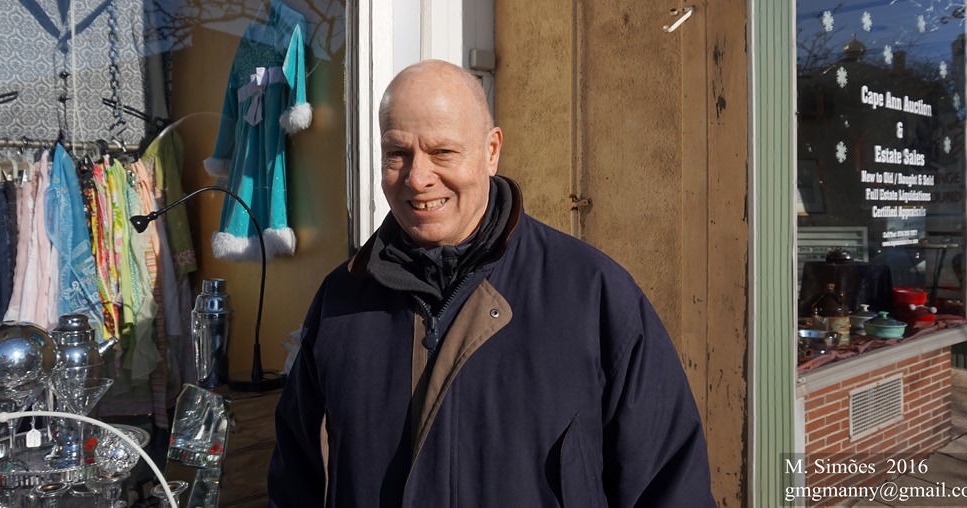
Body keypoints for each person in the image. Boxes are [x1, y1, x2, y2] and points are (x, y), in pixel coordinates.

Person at [268, 59, 715, 507]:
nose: (418, 178)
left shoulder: (592, 295)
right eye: (397, 153)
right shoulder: (341, 302)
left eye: (442, 152)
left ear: (491, 150)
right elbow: (293, 484)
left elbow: (671, 488)